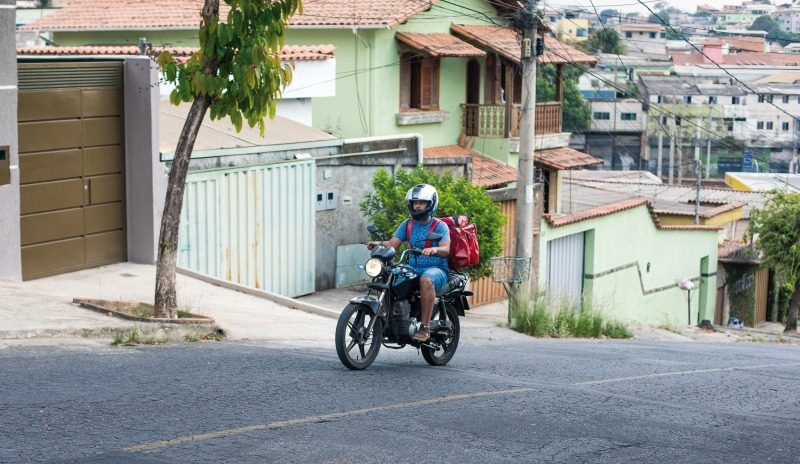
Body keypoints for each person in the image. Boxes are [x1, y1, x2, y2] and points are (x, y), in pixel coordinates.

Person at [367, 183, 450, 342]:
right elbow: (393, 244)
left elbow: (446, 249)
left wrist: (434, 250)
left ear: (431, 203)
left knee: (426, 280)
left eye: (422, 203)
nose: (417, 206)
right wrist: (378, 243)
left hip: (435, 268)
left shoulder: (440, 226)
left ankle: (424, 328)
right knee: (386, 276)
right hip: (412, 267)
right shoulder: (408, 224)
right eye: (414, 203)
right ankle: (389, 319)